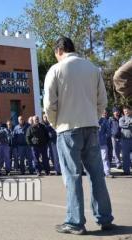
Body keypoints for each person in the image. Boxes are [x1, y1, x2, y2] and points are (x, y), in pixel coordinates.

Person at [44, 37, 113, 234]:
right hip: (91, 126)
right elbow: (103, 100)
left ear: (59, 51)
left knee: (72, 175)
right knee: (97, 175)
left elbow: (49, 104)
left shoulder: (56, 70)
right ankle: (105, 217)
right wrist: (94, 117)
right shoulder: (92, 68)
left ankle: (75, 222)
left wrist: (55, 124)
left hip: (67, 127)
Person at [119, 106, 132, 175]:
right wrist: (129, 124)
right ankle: (126, 171)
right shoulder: (121, 118)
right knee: (125, 156)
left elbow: (125, 125)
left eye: (127, 111)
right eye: (125, 111)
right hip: (125, 140)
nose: (126, 112)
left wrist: (127, 123)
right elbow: (121, 125)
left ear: (130, 110)